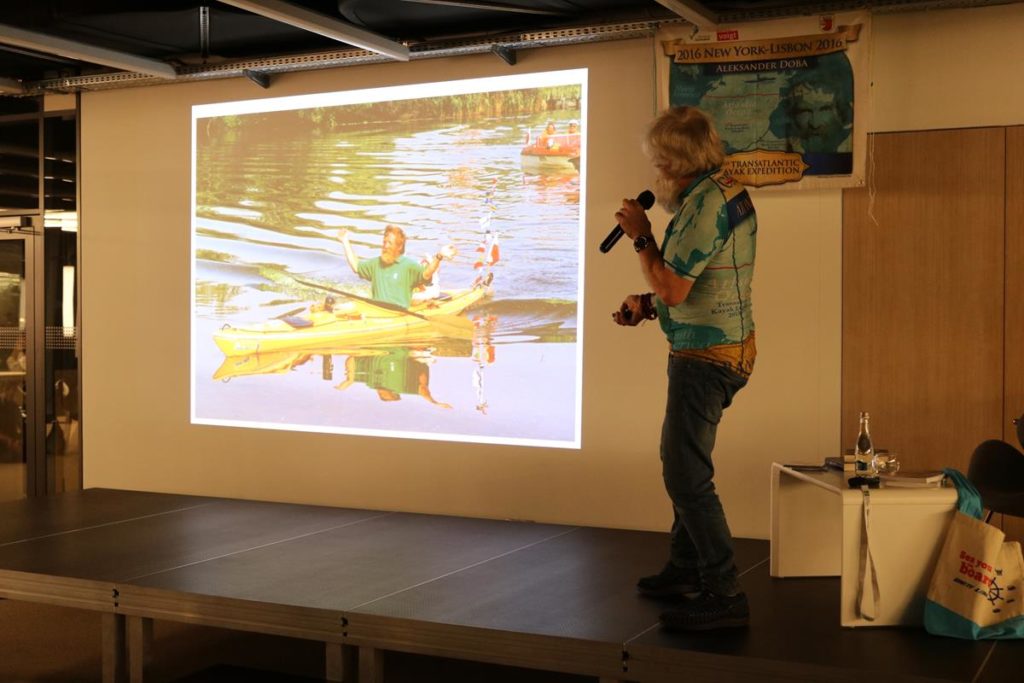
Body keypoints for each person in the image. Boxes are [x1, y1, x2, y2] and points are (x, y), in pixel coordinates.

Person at [613, 106, 757, 631]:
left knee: (684, 472)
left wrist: (641, 236)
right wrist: (648, 306)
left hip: (706, 358)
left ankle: (724, 593)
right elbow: (701, 283)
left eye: (659, 162)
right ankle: (685, 566)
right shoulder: (723, 193)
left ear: (676, 161)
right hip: (723, 345)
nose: (655, 172)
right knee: (685, 461)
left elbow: (673, 287)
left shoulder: (703, 207)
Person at [337, 225, 455, 309]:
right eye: (384, 242)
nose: (385, 246)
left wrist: (439, 256)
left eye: (389, 243)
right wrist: (345, 241)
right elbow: (356, 267)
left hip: (399, 315)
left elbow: (427, 273)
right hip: (376, 312)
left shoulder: (408, 265)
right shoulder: (375, 263)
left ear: (399, 247)